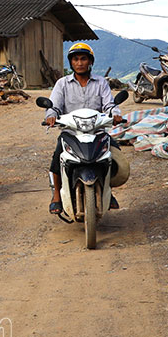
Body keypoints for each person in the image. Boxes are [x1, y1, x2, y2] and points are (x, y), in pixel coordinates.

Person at [44, 42, 123, 215]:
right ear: (71, 63)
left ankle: (108, 191)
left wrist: (115, 114)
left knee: (114, 156)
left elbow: (109, 104)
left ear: (90, 62)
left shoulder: (101, 82)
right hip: (71, 132)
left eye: (83, 59)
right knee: (58, 158)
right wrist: (51, 115)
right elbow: (54, 106)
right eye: (76, 59)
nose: (79, 63)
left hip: (97, 131)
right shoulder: (62, 84)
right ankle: (56, 195)